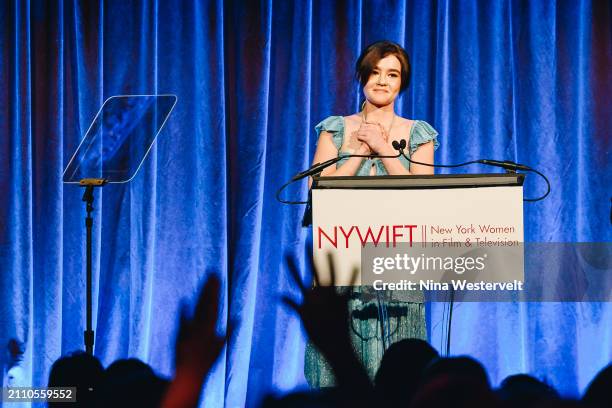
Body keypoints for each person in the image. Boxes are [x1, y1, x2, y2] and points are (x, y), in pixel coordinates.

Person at [305, 40, 440, 388]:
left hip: (399, 259)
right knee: (341, 363)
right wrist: (359, 153)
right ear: (363, 76)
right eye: (375, 72)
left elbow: (423, 196)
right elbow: (316, 192)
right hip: (342, 258)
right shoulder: (336, 127)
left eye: (392, 74)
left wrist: (383, 149)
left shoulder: (418, 133)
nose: (382, 81)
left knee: (401, 369)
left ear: (402, 82)